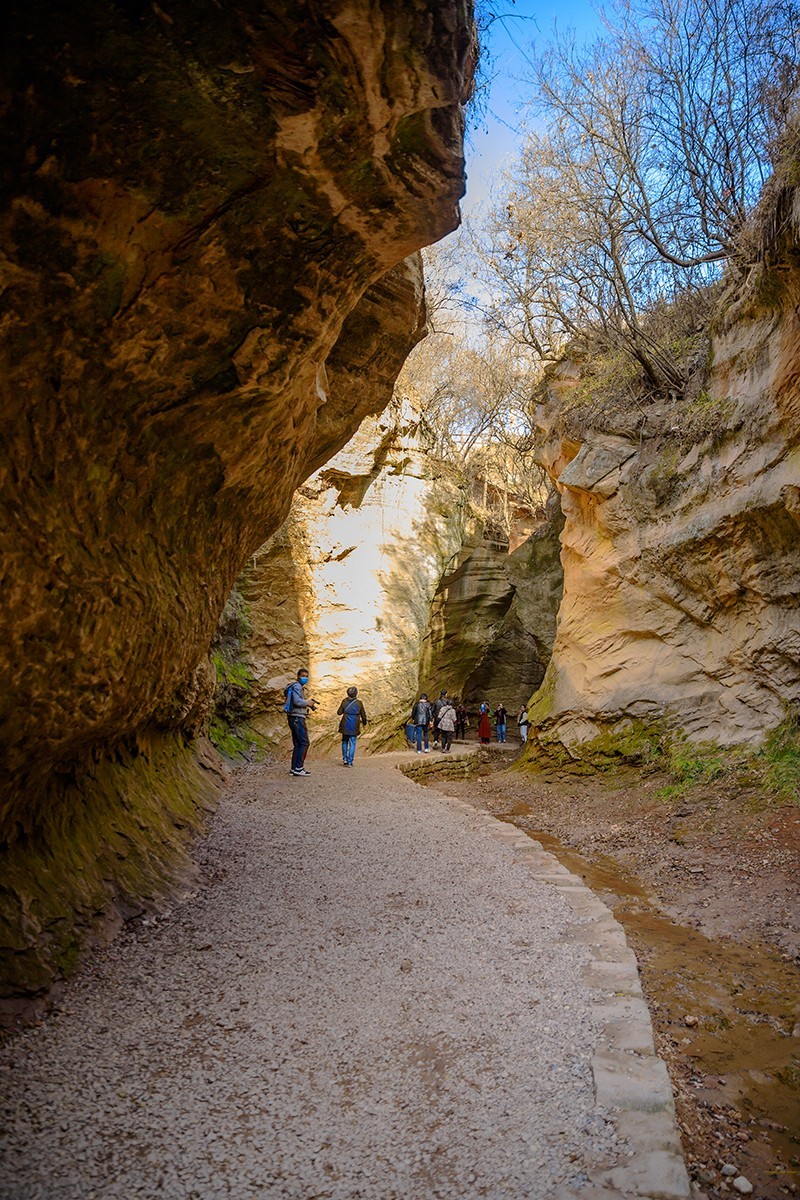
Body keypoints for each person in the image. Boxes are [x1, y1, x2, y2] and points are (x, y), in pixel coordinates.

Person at [284, 668, 317, 776]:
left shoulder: (293, 686)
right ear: (298, 676)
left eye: (307, 676)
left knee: (298, 744)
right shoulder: (297, 686)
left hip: (293, 717)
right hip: (298, 718)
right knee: (304, 743)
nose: (305, 678)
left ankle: (294, 768)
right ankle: (299, 768)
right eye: (303, 676)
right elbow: (297, 701)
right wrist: (308, 702)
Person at [337, 686, 368, 767]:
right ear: (356, 693)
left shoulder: (344, 701)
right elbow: (363, 715)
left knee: (344, 741)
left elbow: (339, 712)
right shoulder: (359, 703)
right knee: (352, 743)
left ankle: (345, 759)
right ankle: (350, 762)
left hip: (345, 724)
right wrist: (365, 723)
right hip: (354, 725)